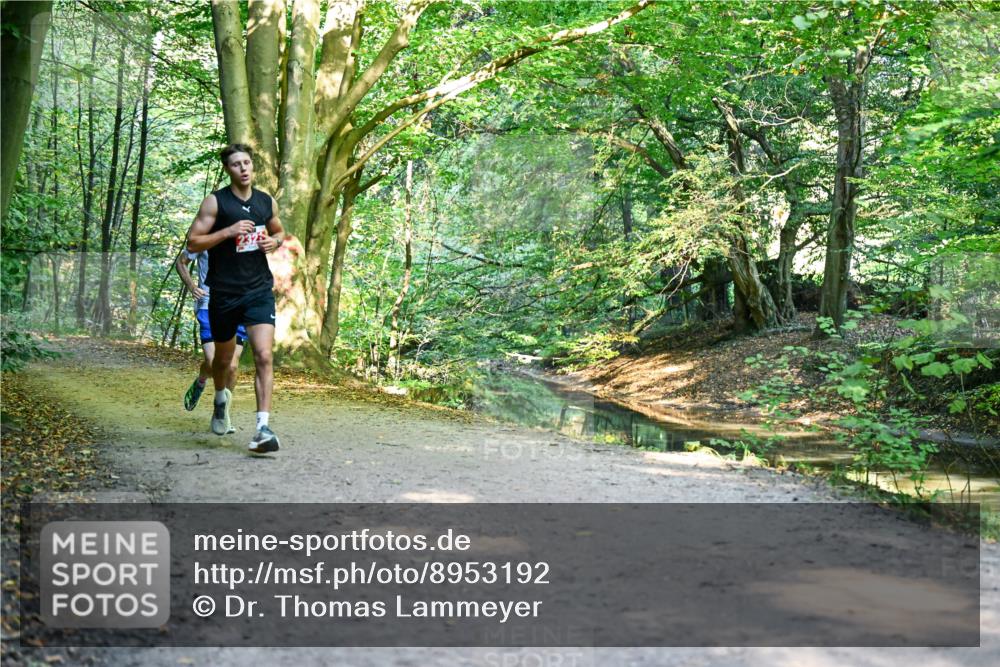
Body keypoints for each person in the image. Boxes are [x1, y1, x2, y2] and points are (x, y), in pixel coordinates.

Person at [185, 143, 286, 455]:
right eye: (236, 165)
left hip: (258, 291)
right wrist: (227, 232)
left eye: (246, 163)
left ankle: (262, 427)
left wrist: (274, 241)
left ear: (252, 166)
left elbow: (280, 232)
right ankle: (219, 399)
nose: (243, 169)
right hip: (224, 293)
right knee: (224, 362)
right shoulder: (216, 202)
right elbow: (193, 241)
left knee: (263, 356)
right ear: (227, 170)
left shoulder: (265, 201)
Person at [174, 248, 247, 422]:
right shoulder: (206, 235)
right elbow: (180, 262)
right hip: (209, 306)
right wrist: (192, 286)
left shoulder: (248, 236)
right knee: (213, 362)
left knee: (232, 367)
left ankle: (221, 413)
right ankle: (201, 380)